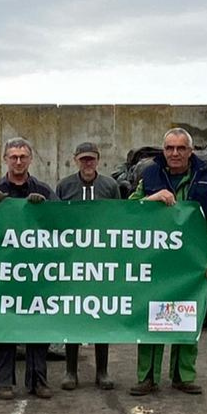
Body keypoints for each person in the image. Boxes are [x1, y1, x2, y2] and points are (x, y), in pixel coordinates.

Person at [130, 128, 207, 396]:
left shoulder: (206, 179)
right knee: (151, 317)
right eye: (170, 148)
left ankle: (183, 376)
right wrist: (152, 198)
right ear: (164, 150)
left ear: (190, 151)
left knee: (186, 316)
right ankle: (147, 377)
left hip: (190, 263)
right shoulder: (149, 176)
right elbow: (129, 211)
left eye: (181, 148)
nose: (174, 153)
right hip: (155, 262)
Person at [0, 137, 56, 400]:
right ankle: (3, 382)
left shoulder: (43, 190)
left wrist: (47, 209)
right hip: (3, 273)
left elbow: (64, 227)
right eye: (13, 156)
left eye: (23, 156)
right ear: (5, 159)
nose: (18, 161)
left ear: (30, 159)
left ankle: (38, 380)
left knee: (38, 327)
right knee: (3, 327)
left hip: (36, 273)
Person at [54, 141, 122, 391]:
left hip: (101, 260)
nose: (87, 163)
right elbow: (55, 220)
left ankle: (102, 371)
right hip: (73, 260)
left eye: (91, 159)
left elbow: (119, 220)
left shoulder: (110, 186)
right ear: (75, 160)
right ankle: (70, 371)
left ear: (98, 160)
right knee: (72, 313)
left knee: (100, 313)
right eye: (83, 159)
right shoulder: (65, 186)